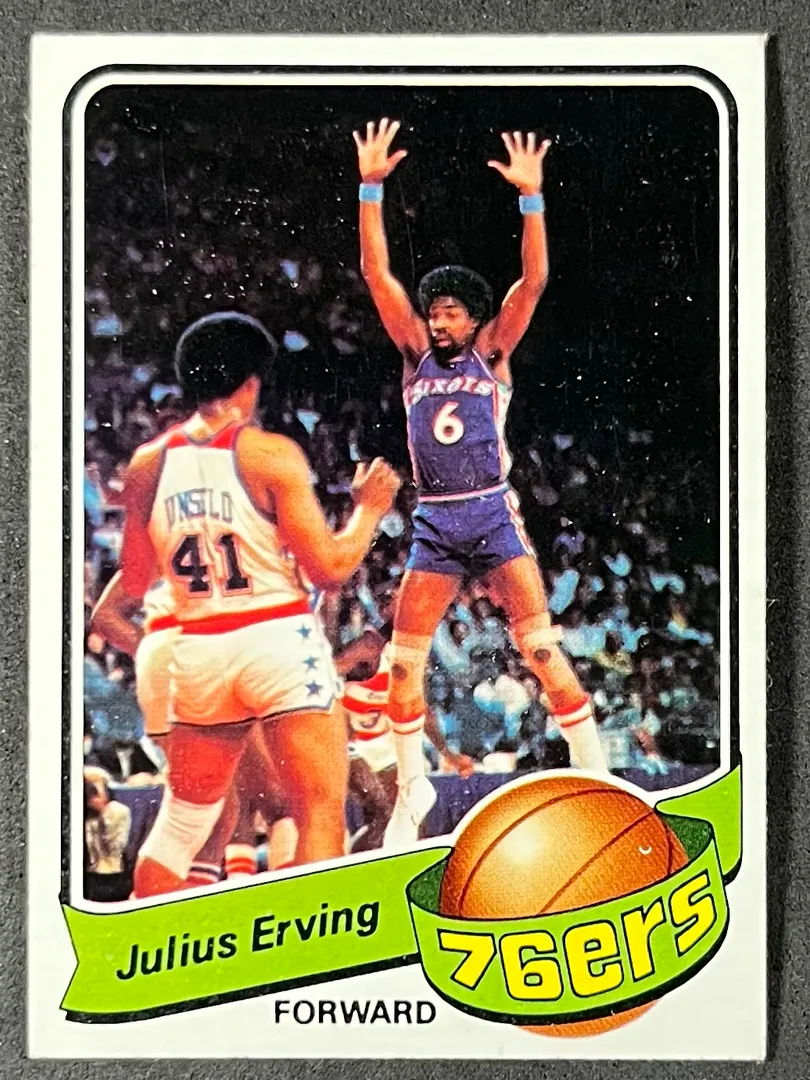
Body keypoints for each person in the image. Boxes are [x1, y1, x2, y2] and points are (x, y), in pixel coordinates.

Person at [354, 119, 608, 846]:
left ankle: (596, 770)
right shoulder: (414, 356)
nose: (438, 322)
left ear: (473, 319)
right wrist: (370, 188)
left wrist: (531, 199)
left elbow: (535, 282)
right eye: (433, 312)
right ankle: (414, 789)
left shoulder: (493, 352)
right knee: (402, 664)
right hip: (436, 519)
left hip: (491, 513)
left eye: (450, 313)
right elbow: (377, 276)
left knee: (541, 650)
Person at [116, 311, 401, 897]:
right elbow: (330, 568)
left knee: (182, 822)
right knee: (317, 808)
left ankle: (143, 929)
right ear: (250, 384)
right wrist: (369, 510)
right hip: (275, 638)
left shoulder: (146, 465)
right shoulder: (268, 454)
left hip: (198, 646)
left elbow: (139, 579)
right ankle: (316, 935)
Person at [342, 641, 475, 851]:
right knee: (382, 813)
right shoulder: (343, 656)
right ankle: (353, 864)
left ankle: (402, 861)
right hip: (352, 748)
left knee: (412, 818)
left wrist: (447, 753)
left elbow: (422, 711)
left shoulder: (399, 658)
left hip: (387, 750)